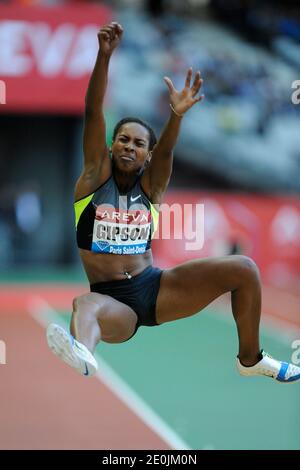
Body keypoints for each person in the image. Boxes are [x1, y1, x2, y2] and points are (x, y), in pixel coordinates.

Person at [47, 22, 300, 383]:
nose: (130, 146)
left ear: (147, 156)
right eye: (123, 139)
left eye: (138, 143)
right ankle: (83, 351)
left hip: (156, 288)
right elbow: (93, 112)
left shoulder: (150, 187)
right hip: (114, 303)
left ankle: (250, 358)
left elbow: (166, 150)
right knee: (83, 304)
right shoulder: (92, 180)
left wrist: (177, 115)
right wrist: (104, 57)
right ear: (110, 145)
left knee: (244, 268)